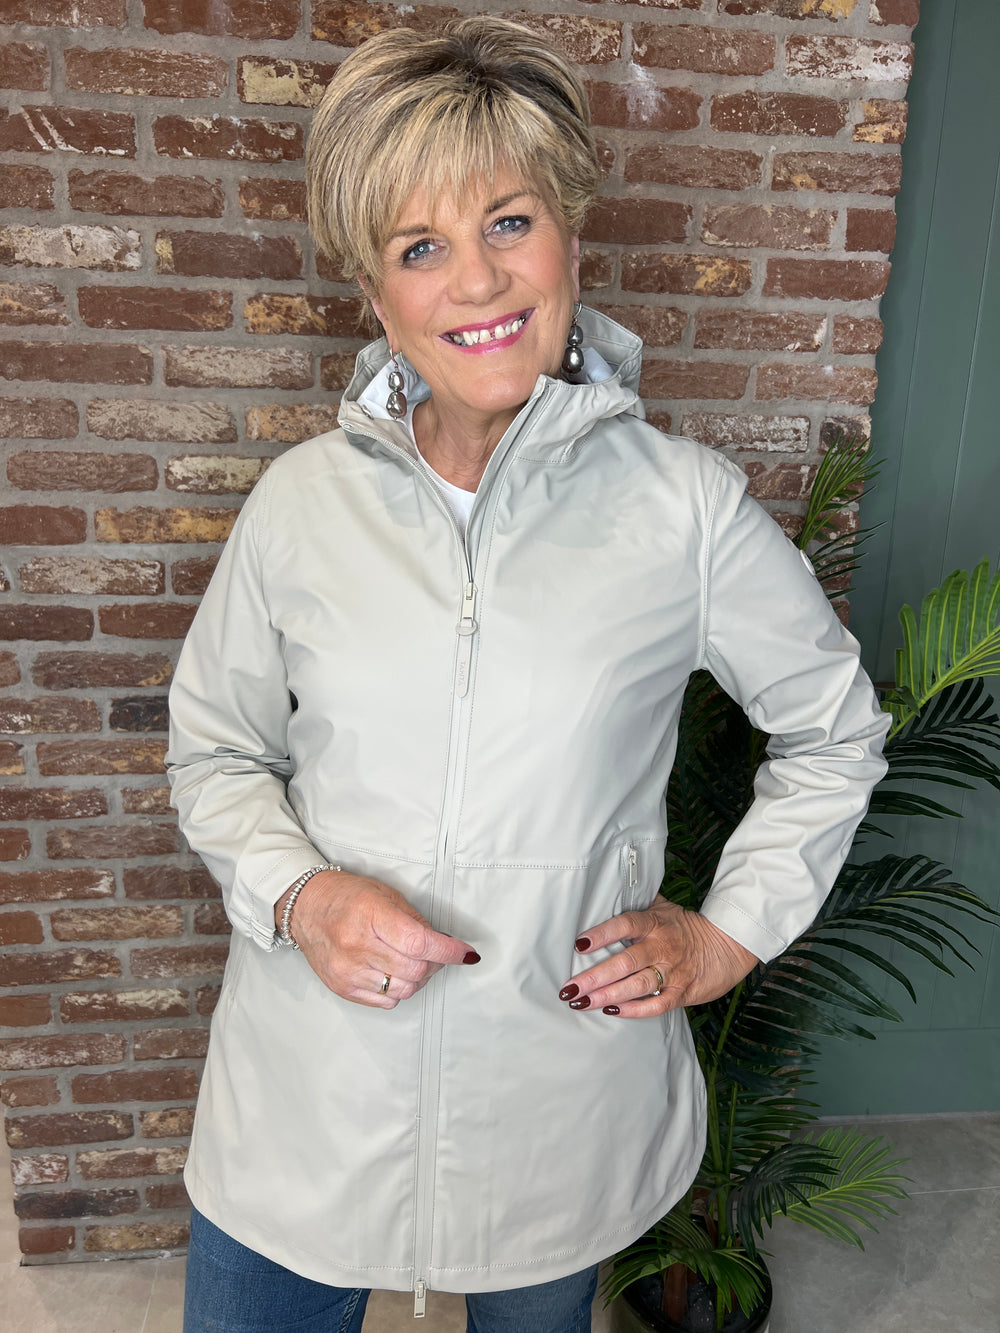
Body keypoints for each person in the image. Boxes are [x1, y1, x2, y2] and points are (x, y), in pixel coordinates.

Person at [166, 17, 890, 1333]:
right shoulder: (299, 508)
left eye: (508, 222)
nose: (477, 279)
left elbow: (835, 730)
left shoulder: (684, 509)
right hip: (308, 1096)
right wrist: (301, 893)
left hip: (557, 1101)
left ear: (569, 238)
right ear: (375, 293)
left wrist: (725, 933)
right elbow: (216, 748)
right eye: (420, 247)